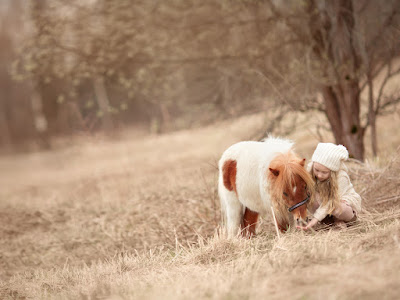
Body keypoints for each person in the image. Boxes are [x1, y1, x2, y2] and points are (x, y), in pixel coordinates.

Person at [297, 143, 362, 230]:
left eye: (324, 172)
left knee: (337, 208)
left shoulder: (341, 177)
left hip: (339, 203)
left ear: (332, 171)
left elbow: (330, 202)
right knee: (309, 195)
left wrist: (315, 219)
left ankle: (341, 220)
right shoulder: (310, 169)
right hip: (324, 203)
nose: (319, 175)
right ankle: (328, 221)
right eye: (317, 170)